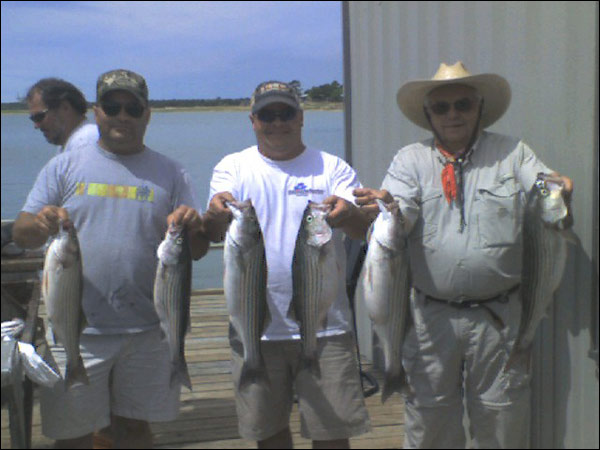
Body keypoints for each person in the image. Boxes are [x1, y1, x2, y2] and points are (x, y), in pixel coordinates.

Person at [354, 62, 574, 449]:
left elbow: (544, 184)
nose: (453, 114)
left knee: (502, 422)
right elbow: (398, 218)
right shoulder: (409, 160)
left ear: (478, 108)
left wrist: (558, 187)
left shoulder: (513, 152)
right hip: (428, 318)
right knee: (429, 423)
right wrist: (386, 206)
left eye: (462, 104)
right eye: (441, 108)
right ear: (428, 116)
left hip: (501, 318)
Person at [13, 69, 209, 449]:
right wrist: (39, 224)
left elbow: (197, 251)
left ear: (146, 114)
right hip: (77, 331)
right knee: (73, 437)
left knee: (134, 430)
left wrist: (192, 227)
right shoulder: (63, 166)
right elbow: (22, 231)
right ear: (96, 111)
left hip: (151, 329)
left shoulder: (172, 171)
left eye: (132, 107)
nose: (123, 115)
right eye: (112, 106)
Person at [202, 81, 372, 449]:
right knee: (268, 434)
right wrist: (214, 213)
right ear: (253, 120)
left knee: (332, 435)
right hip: (255, 330)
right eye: (267, 114)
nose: (277, 122)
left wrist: (347, 215)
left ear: (301, 117)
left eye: (286, 113)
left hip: (326, 329)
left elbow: (361, 228)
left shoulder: (333, 167)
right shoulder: (233, 167)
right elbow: (214, 229)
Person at [26, 77, 98, 154]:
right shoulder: (69, 144)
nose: (36, 125)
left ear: (65, 107)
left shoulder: (86, 142)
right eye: (33, 119)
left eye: (39, 117)